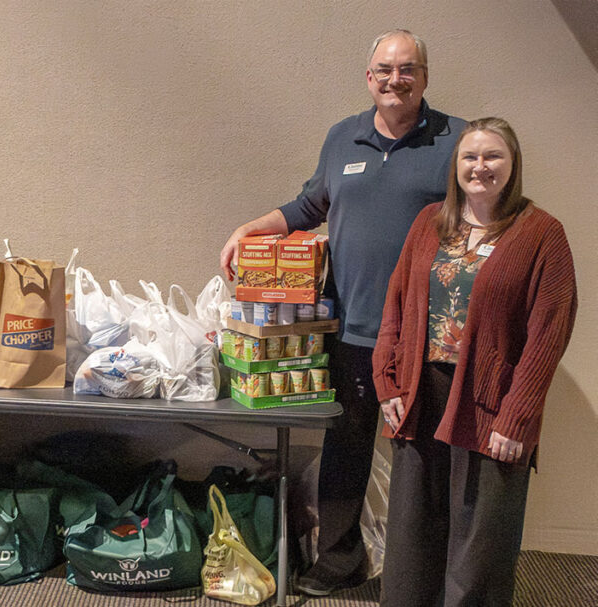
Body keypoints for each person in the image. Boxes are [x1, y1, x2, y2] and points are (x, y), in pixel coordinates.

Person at [219, 30, 466, 595]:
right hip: (351, 328)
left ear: (424, 77)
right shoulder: (342, 138)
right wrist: (250, 228)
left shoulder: (455, 141)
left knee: (424, 455)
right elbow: (310, 205)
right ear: (369, 77)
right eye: (384, 69)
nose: (395, 79)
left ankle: (421, 570)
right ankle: (339, 560)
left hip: (427, 336)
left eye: (407, 69)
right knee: (347, 446)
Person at [372, 118, 576, 606]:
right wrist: (387, 384)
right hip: (422, 394)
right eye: (470, 157)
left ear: (512, 165)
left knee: (479, 545)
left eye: (492, 157)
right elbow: (395, 307)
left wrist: (518, 416)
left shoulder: (542, 233)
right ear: (455, 165)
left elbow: (549, 333)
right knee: (413, 535)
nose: (480, 167)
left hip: (491, 404)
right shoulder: (428, 223)